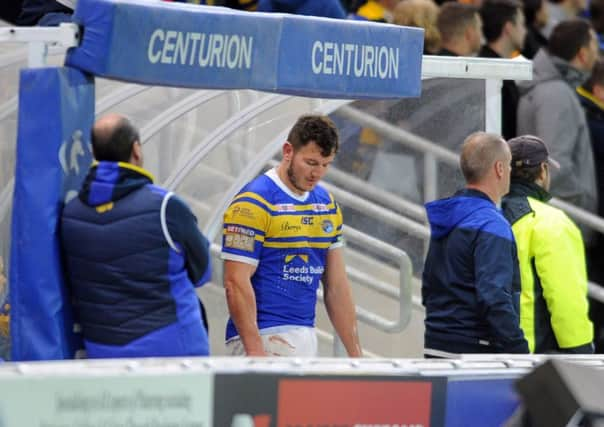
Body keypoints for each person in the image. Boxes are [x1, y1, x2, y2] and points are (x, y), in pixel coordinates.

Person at [61, 114, 211, 358]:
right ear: (136, 150)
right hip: (173, 351)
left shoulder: (71, 213)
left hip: (103, 353)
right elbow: (203, 273)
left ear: (93, 152)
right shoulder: (166, 207)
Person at [221, 114, 362, 357]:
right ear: (288, 151)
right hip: (261, 336)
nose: (317, 173)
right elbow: (235, 282)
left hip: (305, 335)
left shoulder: (327, 204)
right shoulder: (253, 202)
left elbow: (336, 286)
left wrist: (356, 356)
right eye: (310, 162)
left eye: (325, 164)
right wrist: (256, 355)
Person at [422, 132, 529, 357]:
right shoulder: (492, 224)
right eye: (509, 166)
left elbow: (429, 286)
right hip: (474, 352)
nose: (510, 172)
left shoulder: (448, 216)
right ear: (499, 168)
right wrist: (518, 350)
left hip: (436, 344)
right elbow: (494, 298)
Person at [501, 135, 594, 354]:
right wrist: (580, 351)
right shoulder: (552, 221)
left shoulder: (487, 214)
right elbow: (565, 298)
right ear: (543, 170)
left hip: (489, 350)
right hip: (534, 357)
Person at [517, 19, 599, 222]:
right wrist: (583, 200)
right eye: (594, 45)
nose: (598, 53)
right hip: (564, 219)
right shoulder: (556, 94)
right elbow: (554, 164)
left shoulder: (553, 89)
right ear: (582, 53)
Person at [479, 0, 526, 140]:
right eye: (522, 24)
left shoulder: (494, 66)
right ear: (509, 28)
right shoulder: (491, 71)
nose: (525, 31)